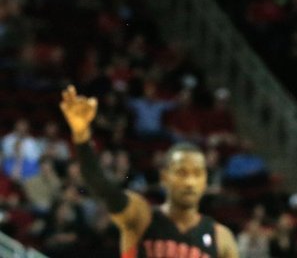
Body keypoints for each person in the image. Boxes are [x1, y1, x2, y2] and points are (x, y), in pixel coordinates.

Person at [59, 85, 238, 258]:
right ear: (164, 177)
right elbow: (101, 186)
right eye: (181, 173)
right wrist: (81, 135)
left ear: (205, 180)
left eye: (197, 174)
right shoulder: (142, 217)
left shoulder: (222, 239)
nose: (189, 182)